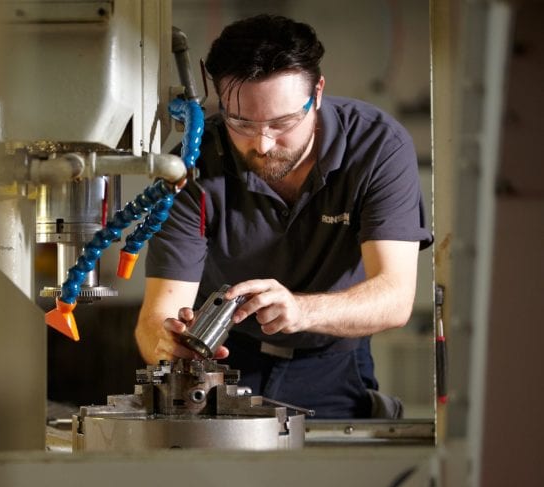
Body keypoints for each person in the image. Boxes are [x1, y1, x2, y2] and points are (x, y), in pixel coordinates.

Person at [134, 14, 433, 419]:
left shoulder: (377, 146)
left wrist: (300, 309)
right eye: (240, 121)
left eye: (283, 122)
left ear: (319, 92)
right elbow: (156, 316)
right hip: (223, 360)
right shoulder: (191, 165)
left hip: (332, 356)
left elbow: (395, 298)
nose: (263, 143)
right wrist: (168, 346)